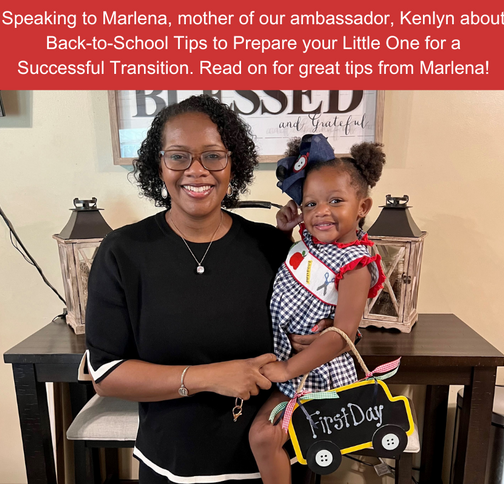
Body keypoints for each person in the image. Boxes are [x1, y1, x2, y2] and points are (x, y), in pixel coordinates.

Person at [84, 95, 330, 483]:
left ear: (233, 163)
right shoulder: (123, 253)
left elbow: (321, 317)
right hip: (175, 464)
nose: (196, 171)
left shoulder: (272, 246)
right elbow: (107, 373)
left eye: (213, 156)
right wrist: (208, 376)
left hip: (277, 459)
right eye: (179, 156)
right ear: (158, 165)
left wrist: (320, 332)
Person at [248, 134, 386, 483]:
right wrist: (284, 232)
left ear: (363, 207)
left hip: (313, 374)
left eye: (335, 201)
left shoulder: (354, 264)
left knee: (264, 437)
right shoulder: (310, 241)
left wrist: (287, 368)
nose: (321, 211)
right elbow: (297, 270)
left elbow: (341, 335)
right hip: (287, 364)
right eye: (310, 204)